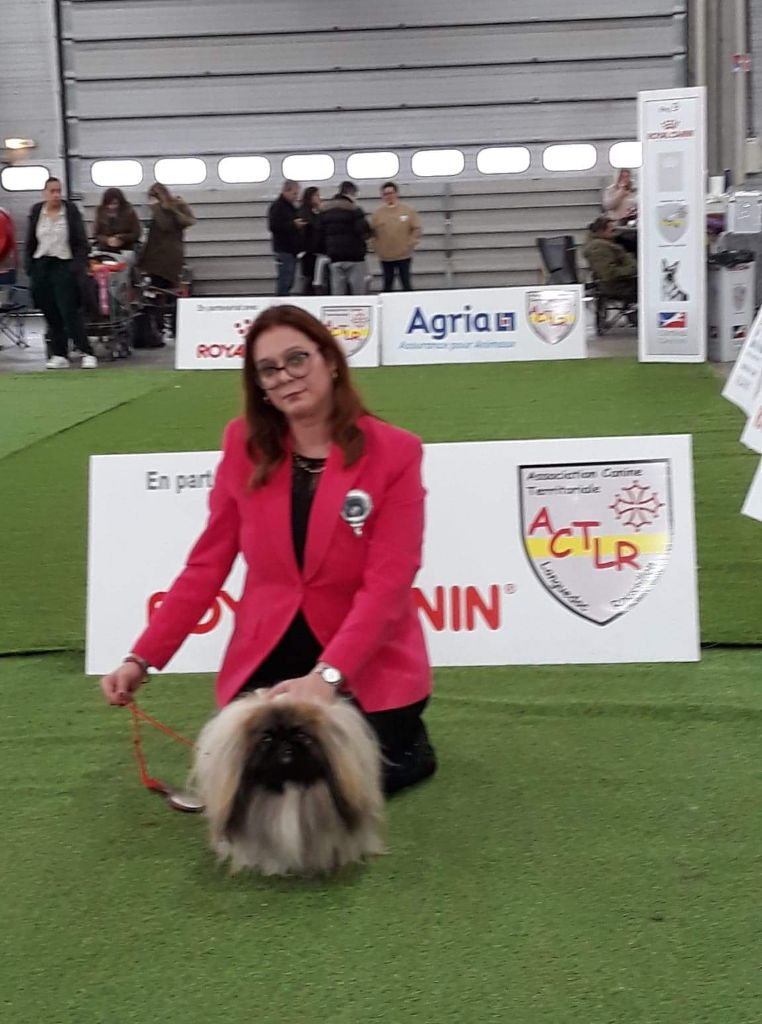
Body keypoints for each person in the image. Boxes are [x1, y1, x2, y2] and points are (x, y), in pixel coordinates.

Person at [99, 304, 437, 797]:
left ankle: (409, 745)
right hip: (269, 649)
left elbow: (388, 585)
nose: (285, 377)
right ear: (259, 385)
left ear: (330, 361)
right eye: (269, 369)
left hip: (366, 663)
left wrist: (327, 677)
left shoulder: (395, 452)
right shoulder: (243, 444)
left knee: (332, 780)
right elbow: (206, 565)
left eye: (297, 359)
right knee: (262, 773)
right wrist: (141, 658)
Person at [24, 177, 98, 369]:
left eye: (58, 191)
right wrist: (30, 267)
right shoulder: (37, 211)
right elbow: (31, 241)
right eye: (52, 191)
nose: (56, 195)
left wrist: (77, 266)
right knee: (50, 311)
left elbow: (81, 242)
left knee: (68, 310)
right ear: (44, 193)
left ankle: (86, 351)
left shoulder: (70, 211)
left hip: (64, 265)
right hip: (42, 265)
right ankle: (59, 353)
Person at [137, 182, 195, 340]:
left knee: (159, 294)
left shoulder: (166, 210)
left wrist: (156, 208)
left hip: (161, 258)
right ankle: (171, 327)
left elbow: (165, 226)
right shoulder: (174, 208)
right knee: (169, 293)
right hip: (170, 257)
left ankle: (161, 327)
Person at [316, 180, 371, 295]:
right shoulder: (354, 209)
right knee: (358, 293)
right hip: (355, 257)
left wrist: (326, 251)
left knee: (338, 294)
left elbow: (319, 233)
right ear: (351, 193)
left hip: (334, 258)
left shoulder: (325, 210)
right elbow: (364, 231)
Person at [370, 182, 422, 291]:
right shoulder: (377, 214)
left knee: (406, 283)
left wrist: (410, 244)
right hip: (385, 256)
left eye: (391, 193)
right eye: (385, 194)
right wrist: (377, 248)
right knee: (387, 284)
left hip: (404, 255)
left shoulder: (408, 210)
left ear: (396, 193)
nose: (389, 196)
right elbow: (371, 233)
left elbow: (416, 228)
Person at [583, 216, 637, 302]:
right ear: (601, 230)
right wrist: (633, 269)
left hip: (623, 283)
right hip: (619, 287)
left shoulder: (606, 243)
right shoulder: (598, 247)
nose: (615, 233)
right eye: (612, 230)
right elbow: (609, 273)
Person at [267, 180, 303, 296]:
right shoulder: (278, 207)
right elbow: (273, 226)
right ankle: (281, 300)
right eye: (294, 193)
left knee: (289, 280)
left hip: (290, 250)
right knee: (285, 280)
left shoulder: (290, 207)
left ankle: (284, 299)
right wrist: (293, 225)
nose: (296, 197)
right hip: (283, 249)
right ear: (286, 191)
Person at [92, 187, 142, 261]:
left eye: (114, 203)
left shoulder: (129, 211)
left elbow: (137, 233)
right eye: (108, 204)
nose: (111, 207)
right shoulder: (100, 211)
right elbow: (96, 234)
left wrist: (121, 238)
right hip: (105, 248)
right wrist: (107, 240)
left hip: (127, 248)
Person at [298, 186, 321, 295]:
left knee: (312, 278)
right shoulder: (305, 213)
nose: (319, 198)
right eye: (317, 195)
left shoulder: (310, 212)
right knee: (310, 278)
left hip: (312, 251)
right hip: (309, 252)